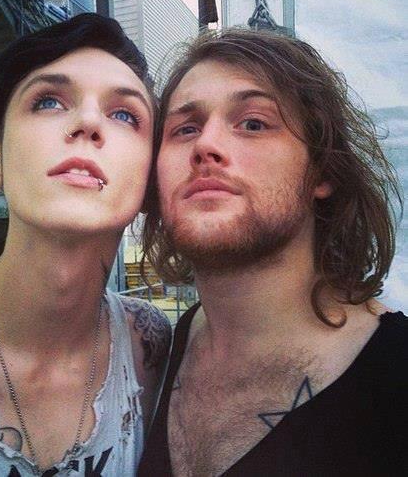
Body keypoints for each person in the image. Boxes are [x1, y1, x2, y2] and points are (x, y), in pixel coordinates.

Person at [0, 13, 171, 476]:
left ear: (150, 180)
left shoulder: (151, 347)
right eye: (48, 101)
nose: (88, 122)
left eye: (124, 115)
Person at [138, 27, 406, 476]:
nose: (205, 145)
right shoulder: (159, 354)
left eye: (253, 123)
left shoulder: (396, 379)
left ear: (322, 171)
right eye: (185, 128)